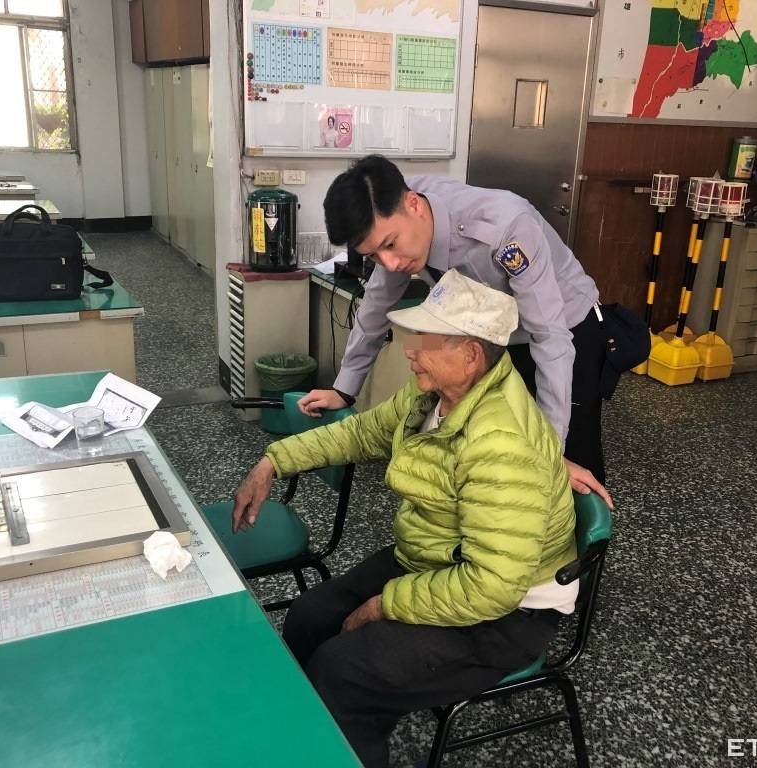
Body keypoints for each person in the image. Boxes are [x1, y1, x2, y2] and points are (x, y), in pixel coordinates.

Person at [232, 271, 581, 768]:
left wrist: (385, 605)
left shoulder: (501, 443)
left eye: (426, 340)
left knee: (343, 673)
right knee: (310, 617)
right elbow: (361, 434)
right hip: (438, 560)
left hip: (507, 613)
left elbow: (493, 586)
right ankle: (312, 742)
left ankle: (345, 733)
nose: (410, 351)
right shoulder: (434, 398)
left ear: (471, 354)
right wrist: (274, 461)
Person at [299, 154, 613, 504]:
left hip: (566, 327)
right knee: (493, 443)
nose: (389, 263)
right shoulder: (397, 222)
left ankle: (584, 532)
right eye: (373, 256)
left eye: (389, 245)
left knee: (568, 460)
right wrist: (344, 389)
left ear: (414, 204)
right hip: (493, 332)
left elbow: (549, 338)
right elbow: (375, 305)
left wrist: (549, 451)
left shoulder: (505, 228)